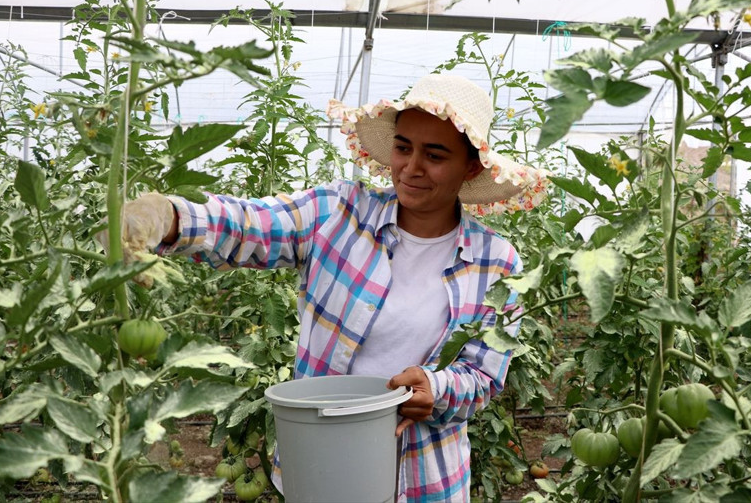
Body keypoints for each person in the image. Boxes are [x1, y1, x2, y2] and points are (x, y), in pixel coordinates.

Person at [117, 73, 550, 502]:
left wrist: (436, 389)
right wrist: (170, 217)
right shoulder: (339, 213)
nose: (411, 168)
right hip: (320, 461)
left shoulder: (496, 261)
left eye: (434, 156)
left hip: (424, 476)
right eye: (403, 148)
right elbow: (253, 225)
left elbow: (482, 377)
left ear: (471, 166)